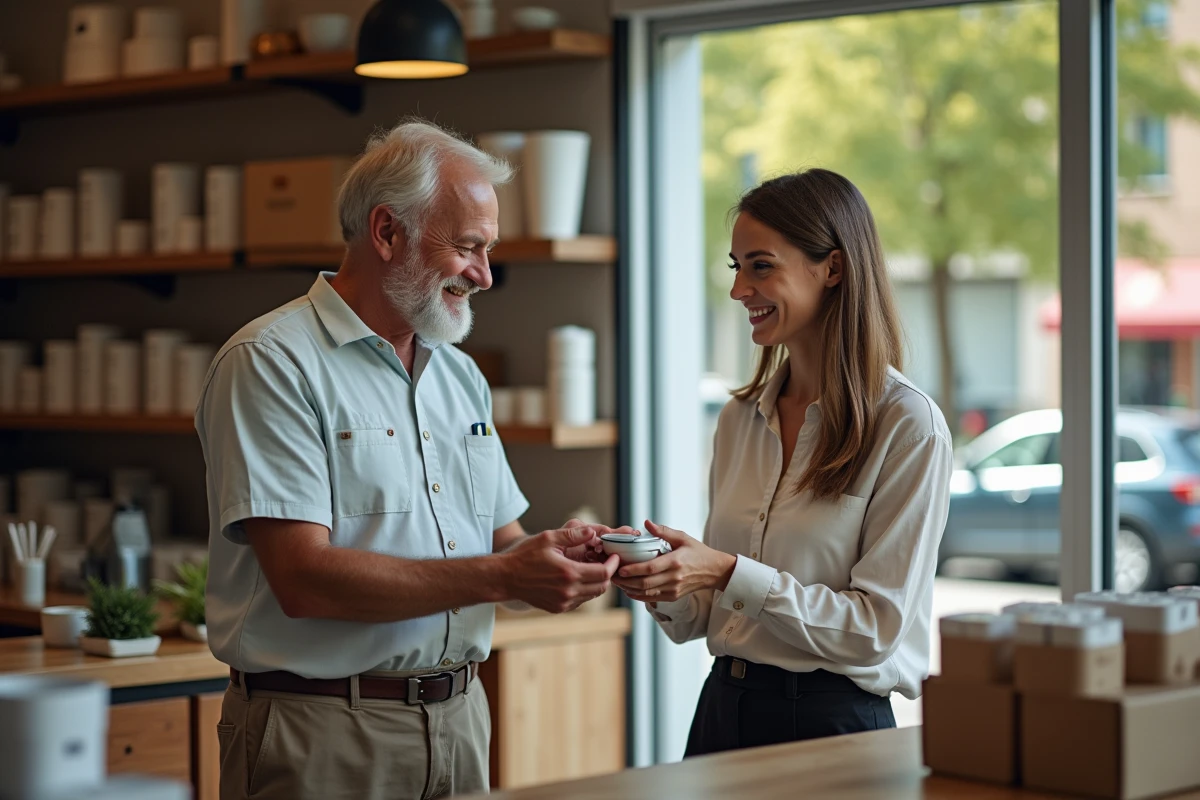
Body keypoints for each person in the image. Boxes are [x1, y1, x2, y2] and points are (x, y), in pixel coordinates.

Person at [195, 118, 621, 800]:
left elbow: (501, 543)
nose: (484, 276)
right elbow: (303, 580)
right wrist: (505, 575)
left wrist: (562, 556)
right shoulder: (271, 362)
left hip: (460, 720)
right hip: (322, 732)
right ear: (388, 232)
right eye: (470, 248)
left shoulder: (460, 375)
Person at [614, 168, 953, 756]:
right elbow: (706, 618)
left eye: (760, 266)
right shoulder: (738, 420)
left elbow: (873, 630)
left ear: (834, 268)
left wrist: (723, 571)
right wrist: (658, 578)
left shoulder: (907, 426)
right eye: (736, 266)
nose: (738, 289)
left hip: (834, 729)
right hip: (723, 712)